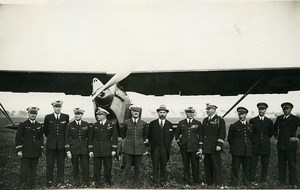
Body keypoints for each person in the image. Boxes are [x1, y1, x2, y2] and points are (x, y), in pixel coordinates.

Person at [88, 107, 118, 187]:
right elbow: (90, 139)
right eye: (97, 115)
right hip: (96, 150)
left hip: (107, 150)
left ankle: (108, 182)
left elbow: (115, 138)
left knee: (108, 167)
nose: (97, 116)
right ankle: (98, 183)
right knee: (96, 168)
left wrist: (114, 150)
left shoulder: (111, 125)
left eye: (99, 115)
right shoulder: (94, 125)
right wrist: (90, 150)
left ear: (105, 115)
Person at [15, 107, 43, 190]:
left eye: (34, 113)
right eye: (31, 113)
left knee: (33, 169)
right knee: (24, 169)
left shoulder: (39, 125)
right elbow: (18, 138)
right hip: (26, 151)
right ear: (28, 114)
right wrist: (19, 150)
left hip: (36, 151)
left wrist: (41, 149)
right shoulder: (23, 124)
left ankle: (31, 184)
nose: (33, 115)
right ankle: (22, 184)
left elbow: (41, 138)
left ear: (36, 114)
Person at [273, 102, 300, 187]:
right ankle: (281, 181)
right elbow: (274, 128)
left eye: (287, 109)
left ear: (291, 109)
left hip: (291, 146)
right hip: (281, 145)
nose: (286, 110)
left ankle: (293, 182)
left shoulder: (296, 119)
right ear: (283, 109)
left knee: (292, 164)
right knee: (281, 164)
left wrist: (298, 138)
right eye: (284, 109)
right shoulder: (279, 118)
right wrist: (276, 136)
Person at [44, 100, 69, 187]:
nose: (58, 108)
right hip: (51, 146)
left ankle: (60, 181)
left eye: (59, 107)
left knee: (61, 165)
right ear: (53, 107)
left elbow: (66, 131)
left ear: (61, 107)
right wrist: (52, 139)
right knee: (50, 164)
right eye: (56, 107)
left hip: (61, 146)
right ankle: (49, 181)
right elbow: (46, 131)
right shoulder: (48, 117)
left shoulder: (66, 117)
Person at [121, 105, 148, 186]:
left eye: (137, 111)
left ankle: (135, 183)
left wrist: (140, 142)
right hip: (128, 148)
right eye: (134, 111)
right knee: (127, 167)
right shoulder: (126, 122)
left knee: (137, 167)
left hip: (139, 148)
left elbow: (145, 135)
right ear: (131, 112)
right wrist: (126, 141)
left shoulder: (143, 123)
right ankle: (126, 183)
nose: (136, 113)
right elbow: (122, 133)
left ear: (139, 113)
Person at [199, 104, 226, 186]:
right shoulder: (205, 120)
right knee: (207, 166)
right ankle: (209, 182)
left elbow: (222, 133)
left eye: (209, 109)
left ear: (214, 110)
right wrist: (201, 146)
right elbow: (203, 134)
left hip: (215, 147)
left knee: (216, 166)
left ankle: (218, 183)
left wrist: (219, 144)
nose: (207, 111)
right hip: (206, 147)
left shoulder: (219, 120)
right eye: (207, 109)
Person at [148, 105, 175, 187]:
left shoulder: (169, 124)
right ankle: (155, 181)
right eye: (160, 112)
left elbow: (171, 136)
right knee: (155, 164)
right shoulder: (153, 123)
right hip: (155, 147)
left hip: (164, 147)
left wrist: (166, 144)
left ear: (166, 113)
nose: (162, 114)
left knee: (163, 164)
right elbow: (149, 135)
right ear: (158, 113)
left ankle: (163, 181)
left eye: (164, 112)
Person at [175, 107, 201, 186]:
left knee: (195, 164)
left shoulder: (198, 123)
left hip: (194, 147)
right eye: (189, 113)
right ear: (186, 113)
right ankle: (187, 180)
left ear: (194, 113)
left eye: (192, 113)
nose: (190, 114)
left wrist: (200, 147)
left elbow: (201, 135)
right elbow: (176, 134)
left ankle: (196, 181)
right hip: (184, 147)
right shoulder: (181, 122)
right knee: (185, 164)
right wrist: (179, 142)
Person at [228, 107, 253, 186]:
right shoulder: (234, 126)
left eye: (242, 114)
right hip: (237, 151)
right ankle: (234, 182)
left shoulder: (250, 126)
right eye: (239, 114)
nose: (241, 116)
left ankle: (246, 182)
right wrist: (236, 147)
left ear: (246, 114)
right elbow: (230, 139)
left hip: (247, 150)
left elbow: (252, 138)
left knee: (247, 168)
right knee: (235, 167)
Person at [65, 108, 90, 187]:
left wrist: (90, 150)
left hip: (84, 148)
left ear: (82, 115)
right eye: (76, 114)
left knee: (85, 166)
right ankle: (76, 182)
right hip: (74, 148)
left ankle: (85, 182)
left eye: (79, 114)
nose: (77, 116)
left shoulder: (86, 124)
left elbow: (89, 138)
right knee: (75, 167)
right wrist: (68, 151)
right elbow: (66, 139)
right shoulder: (70, 125)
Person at [249, 102, 273, 184]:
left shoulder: (269, 121)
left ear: (265, 110)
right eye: (260, 109)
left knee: (265, 164)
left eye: (263, 109)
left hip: (265, 146)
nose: (261, 110)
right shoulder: (253, 120)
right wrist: (255, 140)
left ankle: (263, 179)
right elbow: (251, 133)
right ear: (258, 109)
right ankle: (252, 179)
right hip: (255, 145)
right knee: (253, 164)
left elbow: (270, 133)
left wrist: (264, 140)